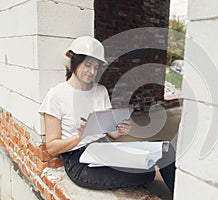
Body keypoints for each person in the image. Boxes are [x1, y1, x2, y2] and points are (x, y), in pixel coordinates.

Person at [39, 36, 176, 192]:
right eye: (88, 64)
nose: (92, 72)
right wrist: (78, 137)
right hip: (79, 161)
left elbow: (113, 133)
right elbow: (51, 147)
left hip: (105, 150)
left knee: (165, 149)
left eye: (96, 67)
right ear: (75, 61)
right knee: (147, 173)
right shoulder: (56, 95)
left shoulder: (100, 91)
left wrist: (120, 128)